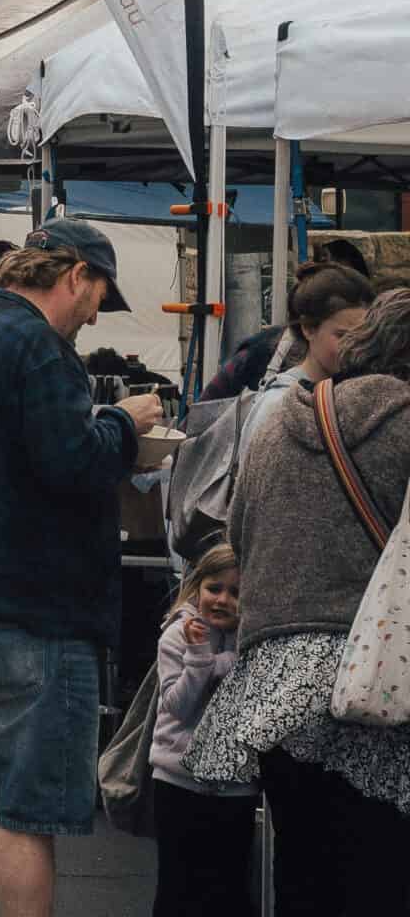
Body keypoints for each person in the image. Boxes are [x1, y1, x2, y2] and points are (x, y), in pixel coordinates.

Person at [0, 221, 162, 917]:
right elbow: (75, 463)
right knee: (28, 815)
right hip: (41, 612)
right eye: (97, 296)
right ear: (75, 275)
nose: (94, 315)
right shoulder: (42, 349)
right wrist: (123, 422)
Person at [189, 288, 410, 913]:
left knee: (305, 879)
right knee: (381, 879)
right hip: (378, 690)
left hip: (271, 689)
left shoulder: (276, 421)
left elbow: (237, 539)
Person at [148, 544, 251, 917]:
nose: (222, 600)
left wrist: (218, 662)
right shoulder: (176, 636)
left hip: (234, 781)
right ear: (196, 587)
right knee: (178, 885)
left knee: (229, 888)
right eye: (214, 588)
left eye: (236, 592)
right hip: (178, 777)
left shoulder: (250, 640)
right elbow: (178, 704)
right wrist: (200, 659)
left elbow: (246, 683)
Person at [200, 257, 377, 403]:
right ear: (308, 328)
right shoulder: (273, 394)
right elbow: (205, 409)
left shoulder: (366, 390)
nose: (354, 346)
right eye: (342, 335)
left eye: (362, 335)